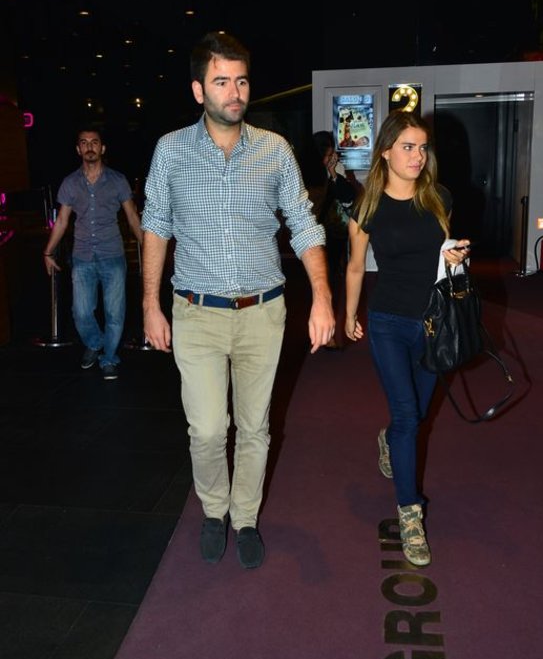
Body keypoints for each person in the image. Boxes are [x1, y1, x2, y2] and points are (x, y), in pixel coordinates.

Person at [141, 31, 335, 570]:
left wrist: (322, 297)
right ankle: (214, 509)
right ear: (198, 90)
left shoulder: (274, 150)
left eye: (242, 81)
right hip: (196, 312)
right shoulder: (171, 150)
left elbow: (304, 225)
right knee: (207, 429)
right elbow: (155, 226)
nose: (235, 92)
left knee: (254, 428)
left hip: (262, 312)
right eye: (222, 82)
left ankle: (245, 517)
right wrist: (150, 305)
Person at [344, 111, 469, 567]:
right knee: (407, 415)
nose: (418, 156)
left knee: (412, 418)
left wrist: (456, 257)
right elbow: (355, 266)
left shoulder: (439, 197)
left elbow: (444, 257)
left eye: (422, 147)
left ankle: (388, 439)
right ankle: (410, 514)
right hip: (388, 323)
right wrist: (348, 314)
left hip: (434, 322)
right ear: (385, 152)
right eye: (408, 147)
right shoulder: (367, 208)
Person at [43, 128, 143, 380]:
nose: (89, 147)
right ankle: (96, 342)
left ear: (102, 148)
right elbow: (62, 220)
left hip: (113, 254)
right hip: (82, 256)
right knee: (81, 312)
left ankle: (109, 357)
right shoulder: (70, 183)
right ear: (78, 149)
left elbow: (132, 216)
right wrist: (48, 251)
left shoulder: (118, 180)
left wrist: (148, 247)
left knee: (114, 313)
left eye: (94, 142)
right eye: (84, 143)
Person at [306, 130, 357, 348]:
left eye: (332, 154)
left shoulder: (337, 171)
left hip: (333, 235)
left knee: (330, 285)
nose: (331, 158)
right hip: (310, 237)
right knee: (314, 285)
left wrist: (334, 174)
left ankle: (329, 333)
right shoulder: (304, 175)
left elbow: (349, 198)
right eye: (327, 155)